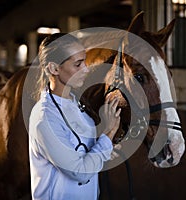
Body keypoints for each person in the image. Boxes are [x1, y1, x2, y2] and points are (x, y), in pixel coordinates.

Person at [28, 33, 121, 200]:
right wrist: (108, 134)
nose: (85, 69)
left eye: (84, 62)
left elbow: (86, 151)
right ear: (54, 69)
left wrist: (106, 147)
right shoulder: (45, 118)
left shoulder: (79, 106)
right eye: (78, 64)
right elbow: (79, 172)